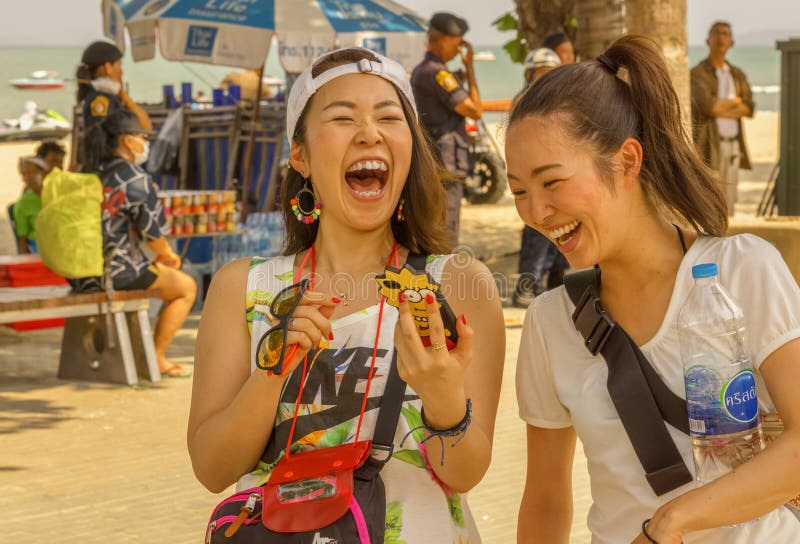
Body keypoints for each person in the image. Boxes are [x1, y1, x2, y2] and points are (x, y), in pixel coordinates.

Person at [188, 47, 505, 543]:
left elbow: (465, 474)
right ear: (301, 155)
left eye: (388, 117)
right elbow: (211, 468)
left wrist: (443, 396)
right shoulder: (243, 288)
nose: (369, 133)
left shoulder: (458, 285)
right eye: (342, 118)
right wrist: (275, 366)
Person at [507, 35, 800, 543]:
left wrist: (672, 522)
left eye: (551, 182)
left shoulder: (743, 270)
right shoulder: (550, 322)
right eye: (518, 192)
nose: (535, 212)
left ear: (627, 160)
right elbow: (546, 502)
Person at [76, 109, 196, 378]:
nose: (146, 143)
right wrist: (169, 256)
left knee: (155, 275)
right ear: (128, 141)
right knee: (185, 287)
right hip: (116, 272)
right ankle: (156, 357)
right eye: (143, 137)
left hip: (80, 271)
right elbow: (154, 235)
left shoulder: (89, 171)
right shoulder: (134, 178)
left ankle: (149, 354)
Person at [411, 12, 482, 245]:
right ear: (443, 40)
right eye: (458, 43)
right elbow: (475, 110)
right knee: (446, 232)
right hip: (445, 164)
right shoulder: (437, 73)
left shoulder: (425, 70)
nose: (459, 49)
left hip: (436, 162)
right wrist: (470, 68)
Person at [513, 47, 567, 307]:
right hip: (533, 176)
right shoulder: (523, 103)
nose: (545, 80)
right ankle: (527, 284)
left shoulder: (564, 102)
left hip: (559, 177)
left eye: (550, 74)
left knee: (564, 225)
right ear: (529, 74)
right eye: (541, 74)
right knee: (537, 229)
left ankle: (556, 282)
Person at [691, 21, 754, 217]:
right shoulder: (698, 73)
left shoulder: (736, 75)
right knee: (711, 200)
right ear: (707, 40)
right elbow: (708, 106)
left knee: (729, 203)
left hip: (734, 146)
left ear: (732, 42)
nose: (721, 38)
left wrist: (722, 107)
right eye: (716, 33)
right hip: (709, 145)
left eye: (725, 34)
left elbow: (749, 108)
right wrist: (735, 102)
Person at [75, 40, 152, 170]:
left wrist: (122, 95)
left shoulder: (108, 97)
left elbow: (145, 127)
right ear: (108, 68)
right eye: (119, 65)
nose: (121, 71)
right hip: (109, 169)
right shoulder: (100, 99)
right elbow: (145, 127)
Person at [13, 157, 47, 254]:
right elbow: (22, 239)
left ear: (43, 173)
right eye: (23, 174)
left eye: (32, 173)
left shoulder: (57, 195)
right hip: (38, 248)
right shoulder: (23, 204)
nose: (27, 178)